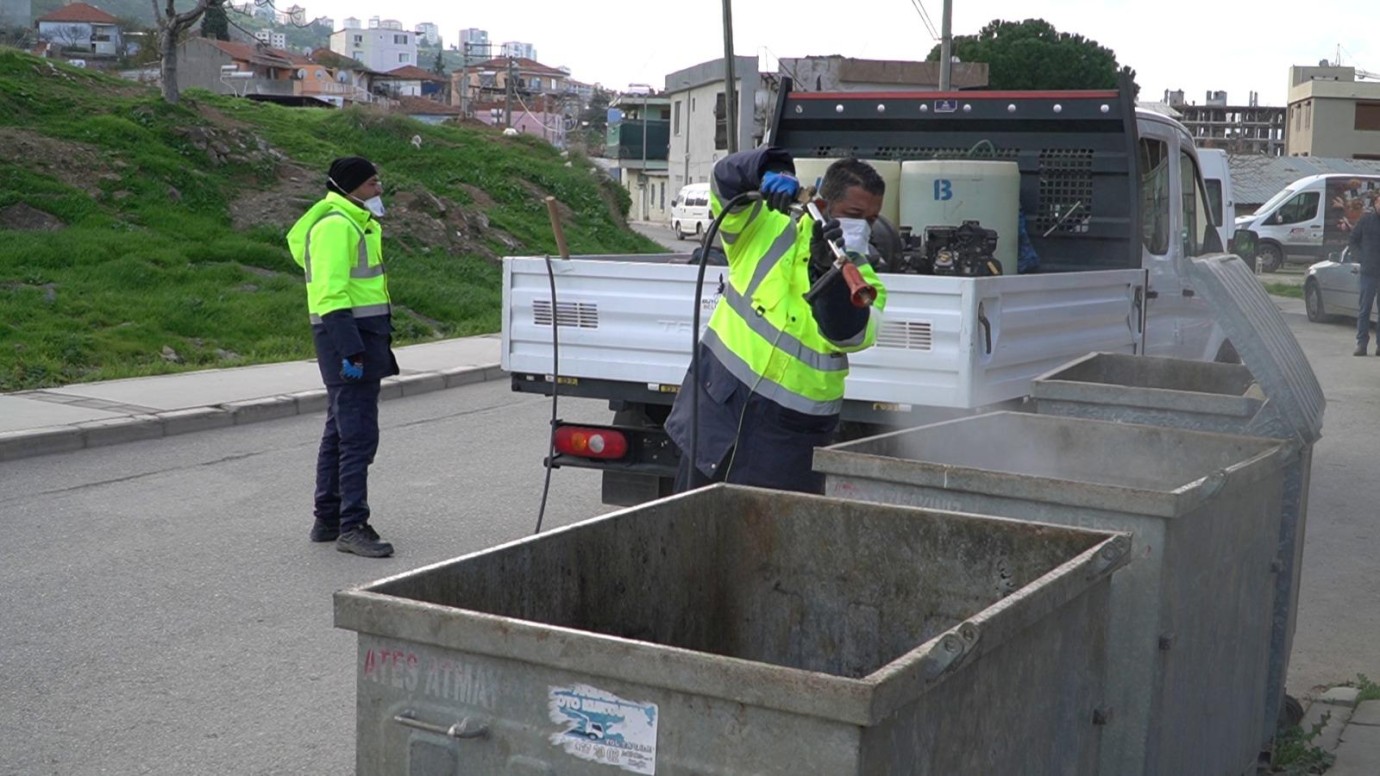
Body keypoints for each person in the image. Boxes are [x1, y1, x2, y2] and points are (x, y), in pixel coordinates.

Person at [663, 149, 888, 495]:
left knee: (763, 546)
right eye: (854, 215)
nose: (862, 228)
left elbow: (848, 334)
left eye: (871, 221)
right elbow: (723, 178)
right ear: (823, 207)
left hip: (786, 445)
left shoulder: (865, 281)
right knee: (690, 536)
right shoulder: (763, 228)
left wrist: (824, 271)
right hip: (717, 419)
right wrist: (770, 168)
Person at [286, 157, 399, 557]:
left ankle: (328, 520)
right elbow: (330, 295)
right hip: (349, 342)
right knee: (357, 436)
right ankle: (353, 526)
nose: (379, 189)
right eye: (372, 183)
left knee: (339, 431)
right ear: (350, 187)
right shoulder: (336, 226)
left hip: (359, 339)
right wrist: (351, 350)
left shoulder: (355, 222)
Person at [1349, 194, 1380, 356]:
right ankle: (1361, 343)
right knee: (1365, 309)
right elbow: (1353, 240)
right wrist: (1361, 258)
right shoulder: (1365, 221)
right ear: (1376, 203)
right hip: (1368, 272)